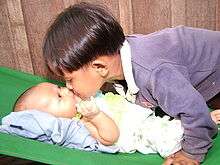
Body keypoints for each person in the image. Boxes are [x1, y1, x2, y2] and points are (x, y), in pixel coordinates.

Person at [42, 2, 220, 165]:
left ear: (99, 67)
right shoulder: (117, 64)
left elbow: (195, 111)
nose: (69, 88)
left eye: (69, 80)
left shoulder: (154, 74)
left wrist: (190, 154)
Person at [13, 82, 220, 161]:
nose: (66, 90)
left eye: (60, 88)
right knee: (164, 135)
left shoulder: (84, 102)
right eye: (59, 96)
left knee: (168, 115)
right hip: (138, 134)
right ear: (52, 120)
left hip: (143, 115)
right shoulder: (79, 125)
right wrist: (94, 117)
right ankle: (200, 125)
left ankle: (195, 118)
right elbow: (111, 137)